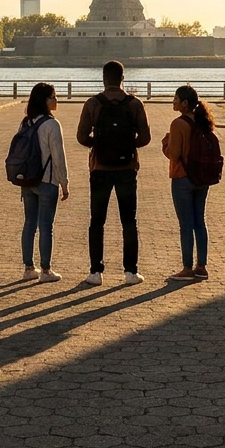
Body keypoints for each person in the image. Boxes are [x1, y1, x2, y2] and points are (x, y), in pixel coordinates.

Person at [76, 60, 151, 285]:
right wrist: (128, 146)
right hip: (127, 169)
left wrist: (98, 144)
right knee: (129, 220)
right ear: (122, 78)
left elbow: (81, 137)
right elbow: (145, 138)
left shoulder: (93, 103)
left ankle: (96, 272)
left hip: (100, 168)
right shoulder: (134, 104)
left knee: (97, 220)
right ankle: (130, 272)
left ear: (103, 78)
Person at [162, 85, 215, 282]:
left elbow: (174, 156)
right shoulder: (203, 121)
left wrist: (165, 144)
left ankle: (186, 267)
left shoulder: (178, 124)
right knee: (199, 221)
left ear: (184, 103)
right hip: (201, 178)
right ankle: (201, 266)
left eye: (176, 98)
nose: (173, 101)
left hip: (182, 178)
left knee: (186, 224)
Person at [19, 83, 69, 283]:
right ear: (45, 101)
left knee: (29, 223)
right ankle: (46, 270)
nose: (56, 100)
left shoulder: (26, 122)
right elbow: (58, 157)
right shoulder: (52, 125)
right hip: (47, 180)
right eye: (53, 97)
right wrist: (64, 183)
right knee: (46, 225)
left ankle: (29, 268)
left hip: (28, 179)